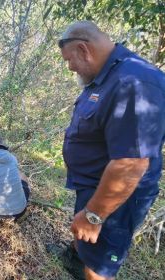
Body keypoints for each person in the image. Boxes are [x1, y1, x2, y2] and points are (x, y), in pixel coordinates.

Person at [58, 21, 165, 279]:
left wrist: (94, 215)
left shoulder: (133, 82)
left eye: (69, 60)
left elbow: (130, 164)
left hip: (116, 197)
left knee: (99, 264)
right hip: (94, 185)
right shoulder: (105, 77)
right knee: (85, 239)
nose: (70, 67)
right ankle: (75, 260)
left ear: (84, 49)